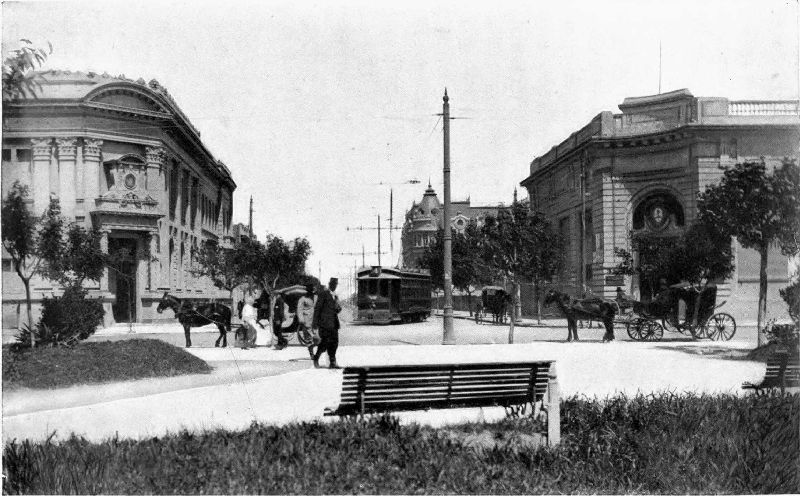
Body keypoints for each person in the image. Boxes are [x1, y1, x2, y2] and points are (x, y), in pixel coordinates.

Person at [312, 277, 342, 369]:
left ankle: (332, 362)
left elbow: (337, 310)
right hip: (325, 324)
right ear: (330, 284)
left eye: (336, 284)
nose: (335, 286)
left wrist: (338, 306)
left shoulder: (335, 296)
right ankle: (316, 358)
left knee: (335, 343)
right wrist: (315, 324)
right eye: (333, 284)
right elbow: (317, 309)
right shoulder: (323, 294)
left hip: (334, 324)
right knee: (324, 343)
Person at [297, 284, 317, 359]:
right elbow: (299, 309)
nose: (311, 292)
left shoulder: (316, 298)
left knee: (317, 338)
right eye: (309, 291)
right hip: (306, 321)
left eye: (312, 291)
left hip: (315, 321)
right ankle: (312, 354)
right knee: (308, 339)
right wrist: (301, 319)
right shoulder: (302, 299)